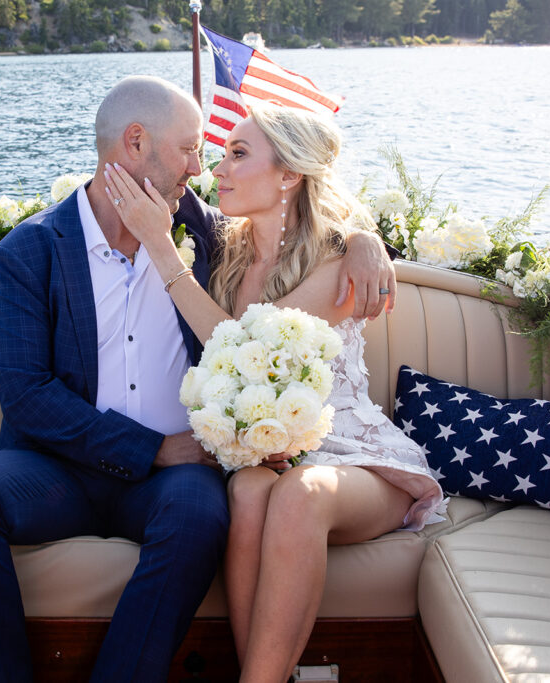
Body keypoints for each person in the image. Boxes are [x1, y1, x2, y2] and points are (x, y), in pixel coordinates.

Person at [0, 76, 397, 683]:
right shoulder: (31, 251)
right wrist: (154, 449)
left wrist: (364, 239)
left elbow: (296, 220)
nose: (200, 169)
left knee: (202, 516)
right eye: (189, 150)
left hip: (171, 484)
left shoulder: (200, 232)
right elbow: (25, 396)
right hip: (58, 471)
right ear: (135, 142)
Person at [103, 102, 445, 683]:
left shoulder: (337, 259)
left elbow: (237, 348)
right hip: (273, 452)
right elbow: (144, 179)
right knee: (251, 491)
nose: (218, 169)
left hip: (355, 458)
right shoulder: (225, 247)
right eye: (219, 154)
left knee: (300, 495)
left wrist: (162, 251)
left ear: (289, 175)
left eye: (238, 155)